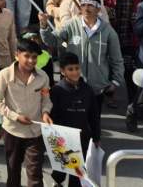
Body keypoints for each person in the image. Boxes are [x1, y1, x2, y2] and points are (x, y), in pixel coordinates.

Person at [39, 0, 124, 112]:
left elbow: (117, 59)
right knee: (73, 120)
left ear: (99, 8)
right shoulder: (71, 25)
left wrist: (115, 82)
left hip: (97, 87)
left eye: (90, 5)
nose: (86, 8)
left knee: (94, 122)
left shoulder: (109, 32)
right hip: (73, 84)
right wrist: (44, 26)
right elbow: (52, 41)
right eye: (83, 4)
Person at [0, 38, 53, 187]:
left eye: (35, 57)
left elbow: (46, 99)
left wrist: (45, 113)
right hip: (12, 131)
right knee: (13, 171)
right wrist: (15, 117)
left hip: (35, 132)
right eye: (27, 56)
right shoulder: (3, 75)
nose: (31, 61)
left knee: (35, 173)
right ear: (17, 55)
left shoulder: (43, 77)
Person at [49, 52, 100, 187]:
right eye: (70, 69)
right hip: (62, 138)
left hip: (82, 137)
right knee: (60, 170)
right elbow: (52, 115)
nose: (74, 72)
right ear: (63, 71)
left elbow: (94, 115)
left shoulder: (88, 90)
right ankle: (57, 182)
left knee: (77, 174)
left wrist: (96, 137)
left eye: (77, 68)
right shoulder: (56, 90)